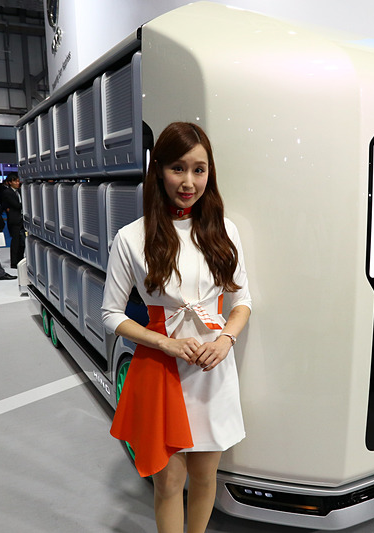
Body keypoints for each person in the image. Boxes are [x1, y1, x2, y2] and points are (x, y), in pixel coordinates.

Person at [101, 122, 251, 533]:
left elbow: (243, 301)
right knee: (168, 483)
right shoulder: (131, 237)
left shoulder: (224, 230)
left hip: (212, 371)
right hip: (161, 370)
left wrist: (225, 340)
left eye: (199, 170)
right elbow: (111, 314)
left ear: (209, 173)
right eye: (178, 168)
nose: (188, 182)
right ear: (159, 171)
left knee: (205, 477)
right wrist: (165, 344)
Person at [2, 173, 25, 268]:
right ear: (10, 182)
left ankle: (20, 259)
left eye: (18, 181)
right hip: (14, 220)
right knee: (15, 242)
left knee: (22, 241)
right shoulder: (7, 192)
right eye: (15, 181)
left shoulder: (19, 191)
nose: (17, 183)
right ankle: (14, 262)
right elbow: (16, 205)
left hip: (21, 219)